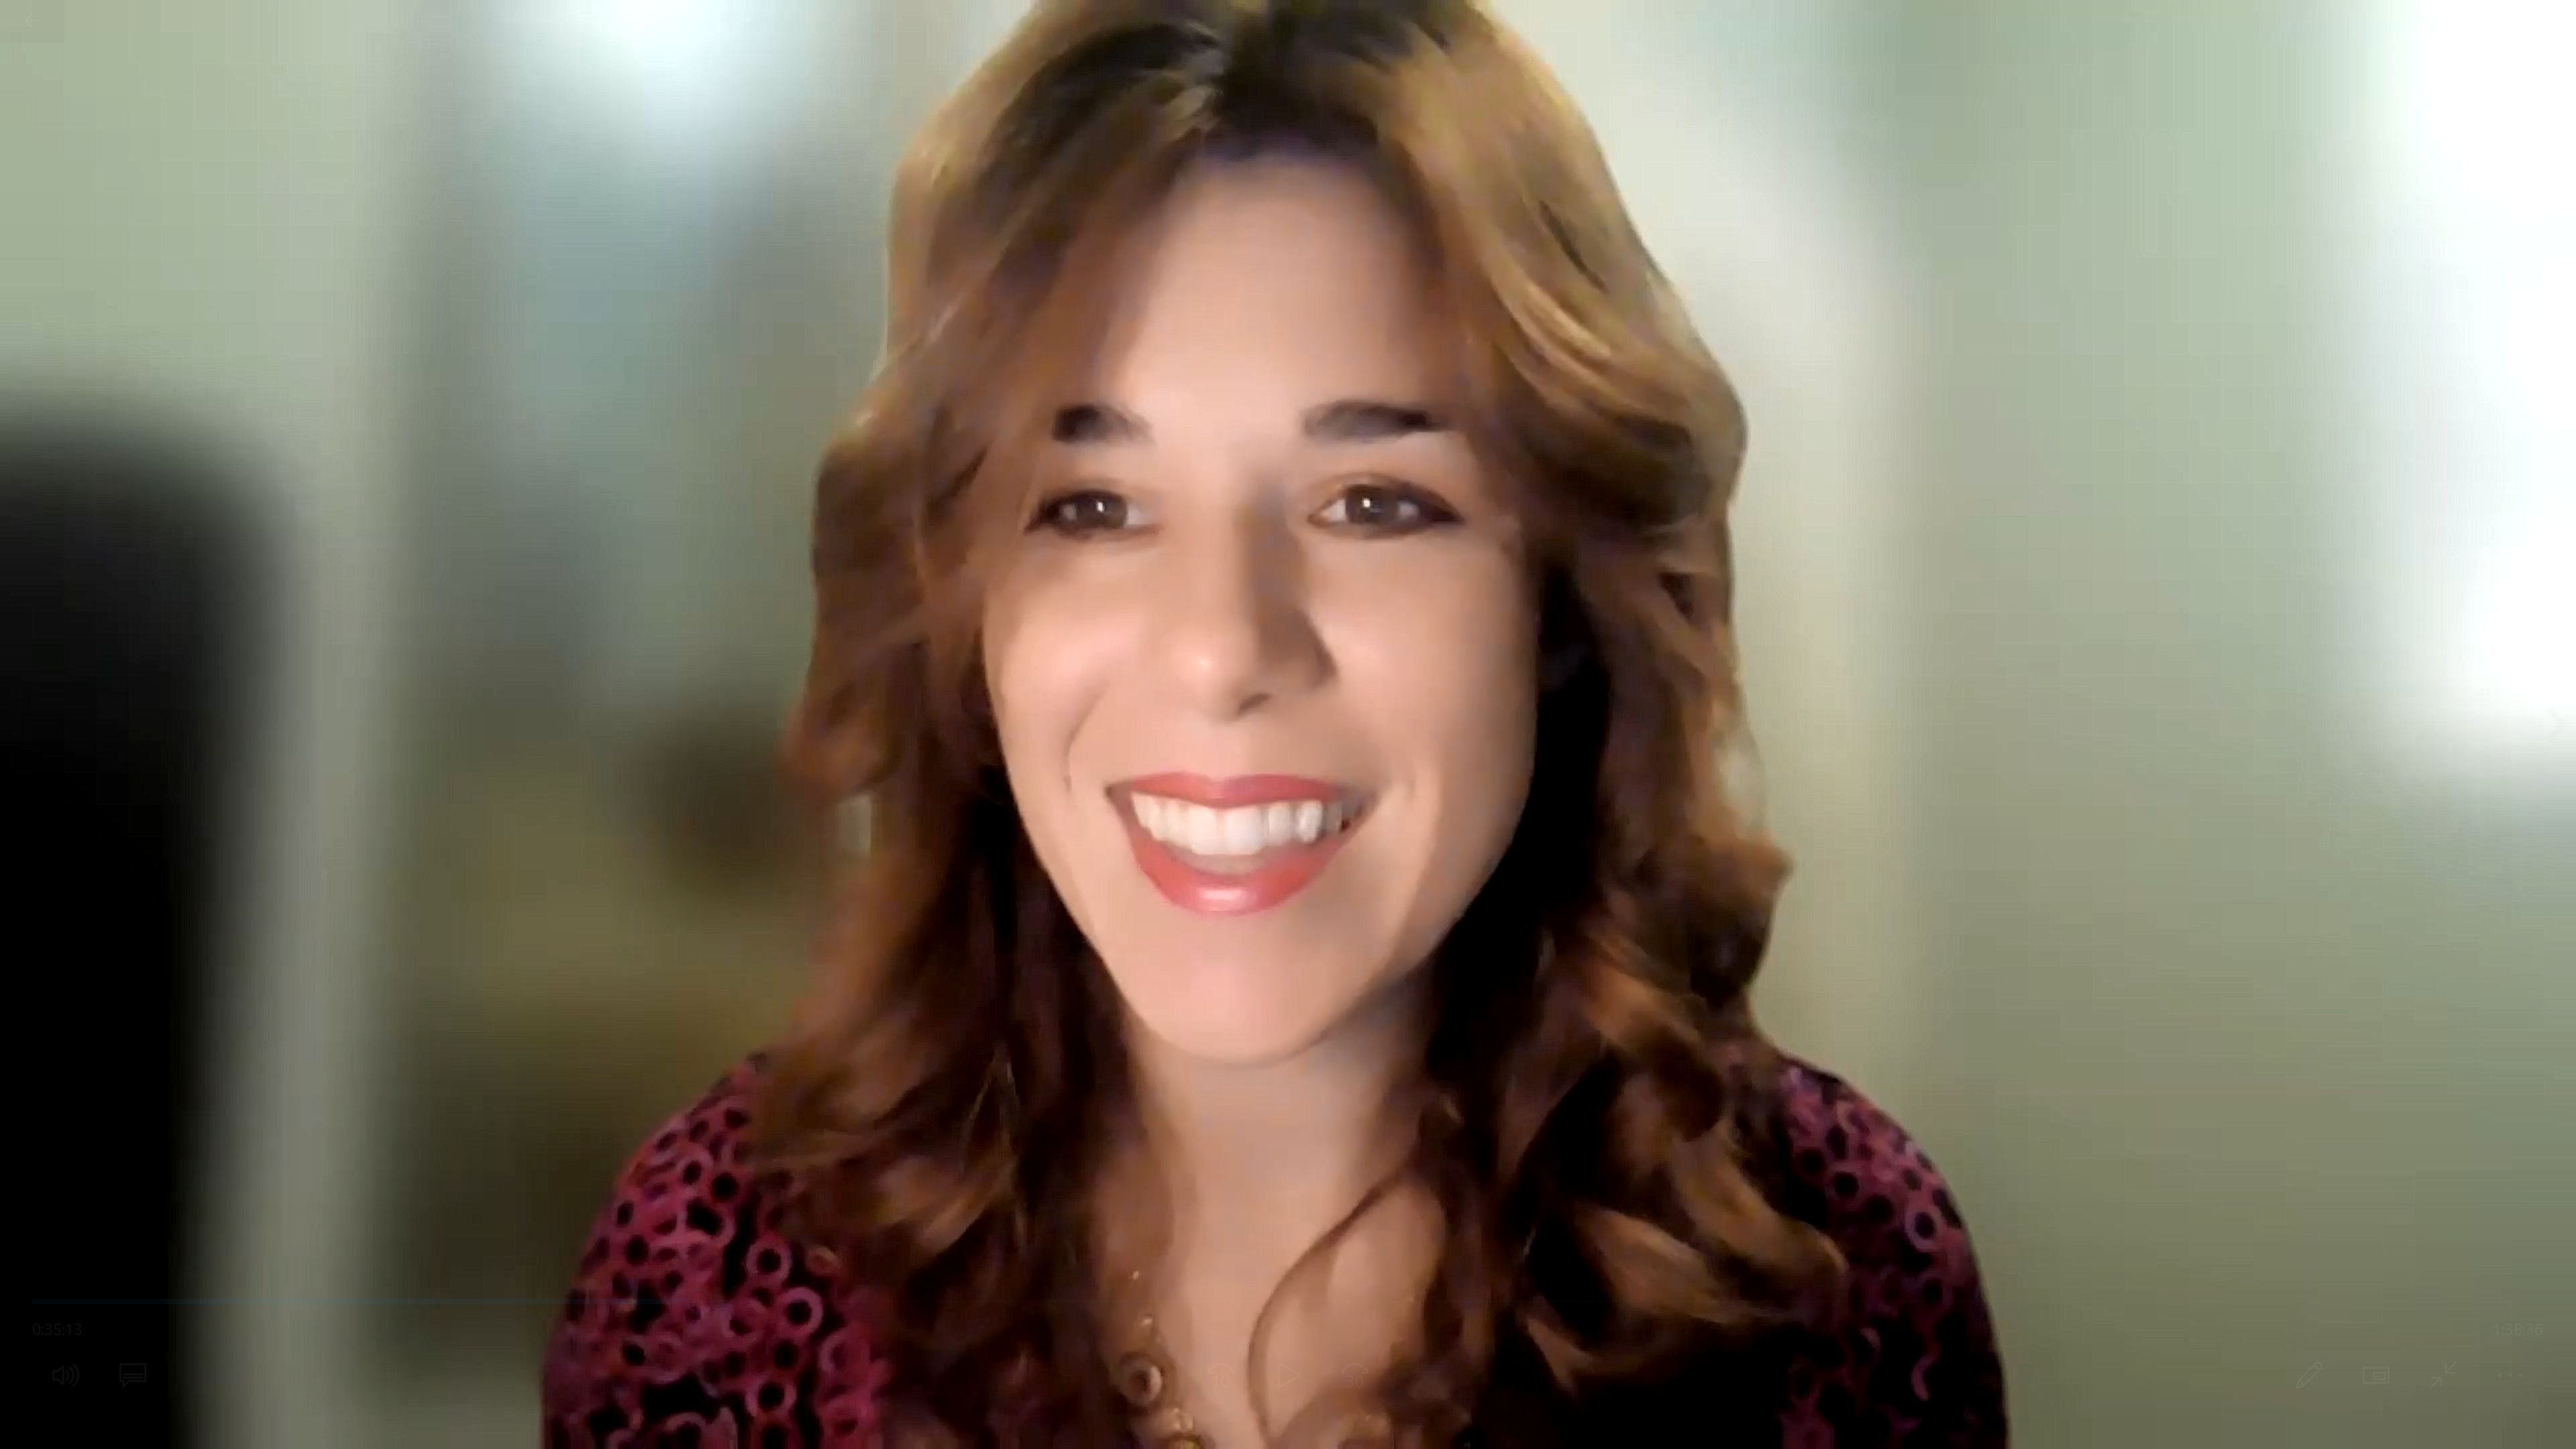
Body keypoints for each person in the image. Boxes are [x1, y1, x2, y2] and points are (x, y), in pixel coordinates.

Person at [542, 2, 2007, 1444]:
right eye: (1092, 506)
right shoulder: (712, 1284)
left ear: (1565, 601)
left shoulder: (1840, 1287)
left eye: (1373, 504)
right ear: (960, 612)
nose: (1223, 648)